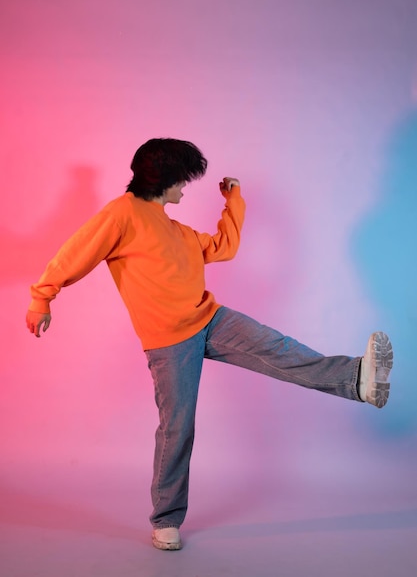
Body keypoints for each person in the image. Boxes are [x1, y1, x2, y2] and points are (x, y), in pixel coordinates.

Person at [26, 138, 394, 551]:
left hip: (209, 319)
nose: (185, 189)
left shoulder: (173, 227)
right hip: (168, 341)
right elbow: (76, 252)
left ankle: (356, 378)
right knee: (177, 427)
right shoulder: (122, 214)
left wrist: (232, 200)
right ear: (165, 179)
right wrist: (43, 297)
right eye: (182, 181)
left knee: (278, 347)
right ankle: (165, 520)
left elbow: (223, 248)